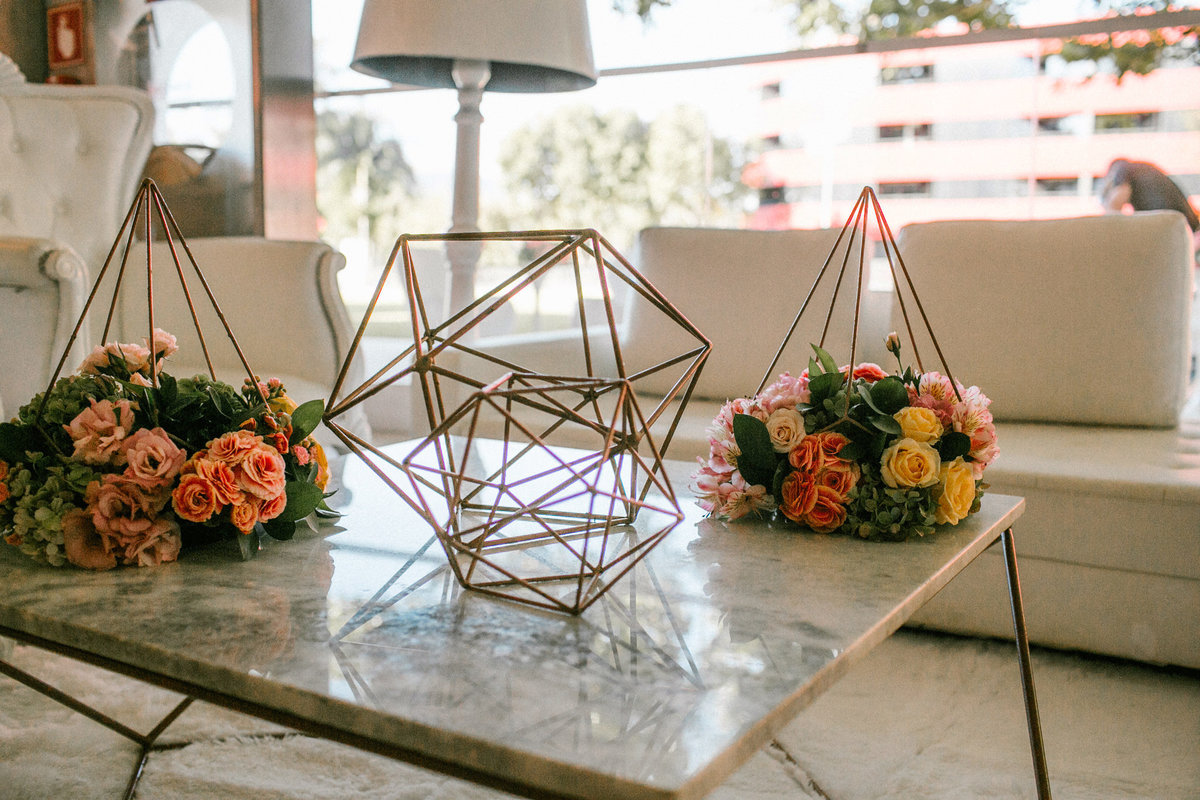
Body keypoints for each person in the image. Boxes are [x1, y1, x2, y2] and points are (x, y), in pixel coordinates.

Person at [1099, 158, 1200, 233]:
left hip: (1169, 227)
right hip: (1186, 226)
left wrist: (1105, 234)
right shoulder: (1144, 171)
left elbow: (1114, 207)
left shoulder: (1122, 169)